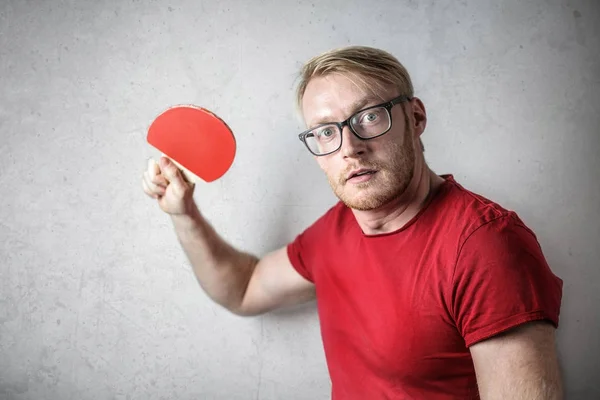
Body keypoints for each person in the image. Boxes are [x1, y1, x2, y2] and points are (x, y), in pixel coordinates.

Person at [142, 46, 564, 399]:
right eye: (325, 131)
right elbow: (244, 289)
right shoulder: (333, 231)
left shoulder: (487, 246)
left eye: (369, 117)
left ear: (415, 118)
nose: (349, 147)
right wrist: (185, 215)